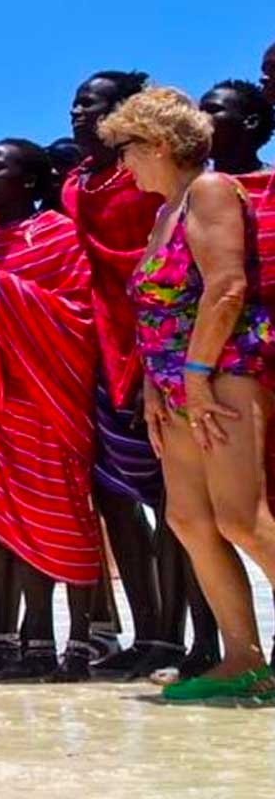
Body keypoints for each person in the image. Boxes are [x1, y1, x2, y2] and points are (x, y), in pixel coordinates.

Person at [105, 87, 275, 703]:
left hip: (222, 372)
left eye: (124, 150)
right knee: (188, 519)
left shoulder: (209, 191)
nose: (121, 165)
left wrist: (198, 375)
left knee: (241, 518)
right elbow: (157, 309)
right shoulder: (164, 212)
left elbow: (226, 288)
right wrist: (156, 383)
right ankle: (244, 659)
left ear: (156, 145)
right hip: (177, 383)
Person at [0, 139, 103, 682]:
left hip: (50, 397)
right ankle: (37, 641)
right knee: (18, 526)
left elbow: (76, 314)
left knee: (66, 517)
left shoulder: (60, 236)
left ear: (32, 182)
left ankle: (80, 643)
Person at [64, 70, 182, 678]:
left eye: (93, 102)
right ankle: (143, 633)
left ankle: (175, 638)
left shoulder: (150, 186)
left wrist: (149, 363)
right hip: (91, 355)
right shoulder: (74, 185)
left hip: (147, 349)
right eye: (74, 101)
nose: (78, 110)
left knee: (172, 502)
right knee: (111, 498)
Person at [201, 79, 272, 177]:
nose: (199, 118)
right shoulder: (186, 188)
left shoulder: (271, 183)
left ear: (251, 122)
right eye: (198, 112)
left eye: (212, 110)